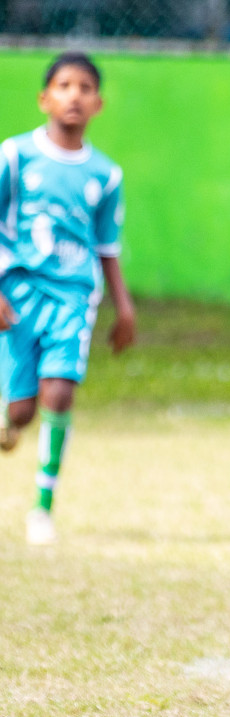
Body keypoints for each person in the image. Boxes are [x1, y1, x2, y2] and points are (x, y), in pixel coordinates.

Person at [0, 51, 136, 546]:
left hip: (75, 296)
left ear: (97, 103)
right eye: (63, 85)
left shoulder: (106, 175)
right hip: (18, 293)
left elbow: (107, 247)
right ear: (44, 98)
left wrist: (124, 307)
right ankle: (11, 421)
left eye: (84, 88)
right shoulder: (14, 157)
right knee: (20, 411)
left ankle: (42, 506)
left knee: (60, 392)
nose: (73, 95)